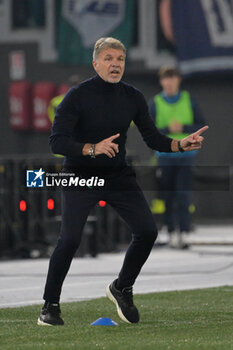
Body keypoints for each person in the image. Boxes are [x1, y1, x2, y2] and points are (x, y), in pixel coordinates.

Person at [37, 38, 208, 326]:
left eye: (120, 59)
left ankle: (122, 288)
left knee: (147, 231)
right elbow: (57, 141)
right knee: (69, 240)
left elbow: (153, 138)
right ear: (96, 63)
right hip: (80, 175)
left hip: (117, 175)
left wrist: (180, 144)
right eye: (108, 58)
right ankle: (50, 306)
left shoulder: (133, 97)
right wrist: (92, 148)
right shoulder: (77, 97)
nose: (115, 63)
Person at [149, 67, 206, 248]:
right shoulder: (155, 102)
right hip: (165, 156)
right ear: (161, 82)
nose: (169, 82)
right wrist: (168, 130)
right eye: (166, 79)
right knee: (167, 195)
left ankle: (184, 231)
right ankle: (171, 231)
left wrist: (183, 126)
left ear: (178, 80)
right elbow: (149, 130)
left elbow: (200, 124)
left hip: (186, 156)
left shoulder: (189, 100)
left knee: (183, 194)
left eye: (172, 78)